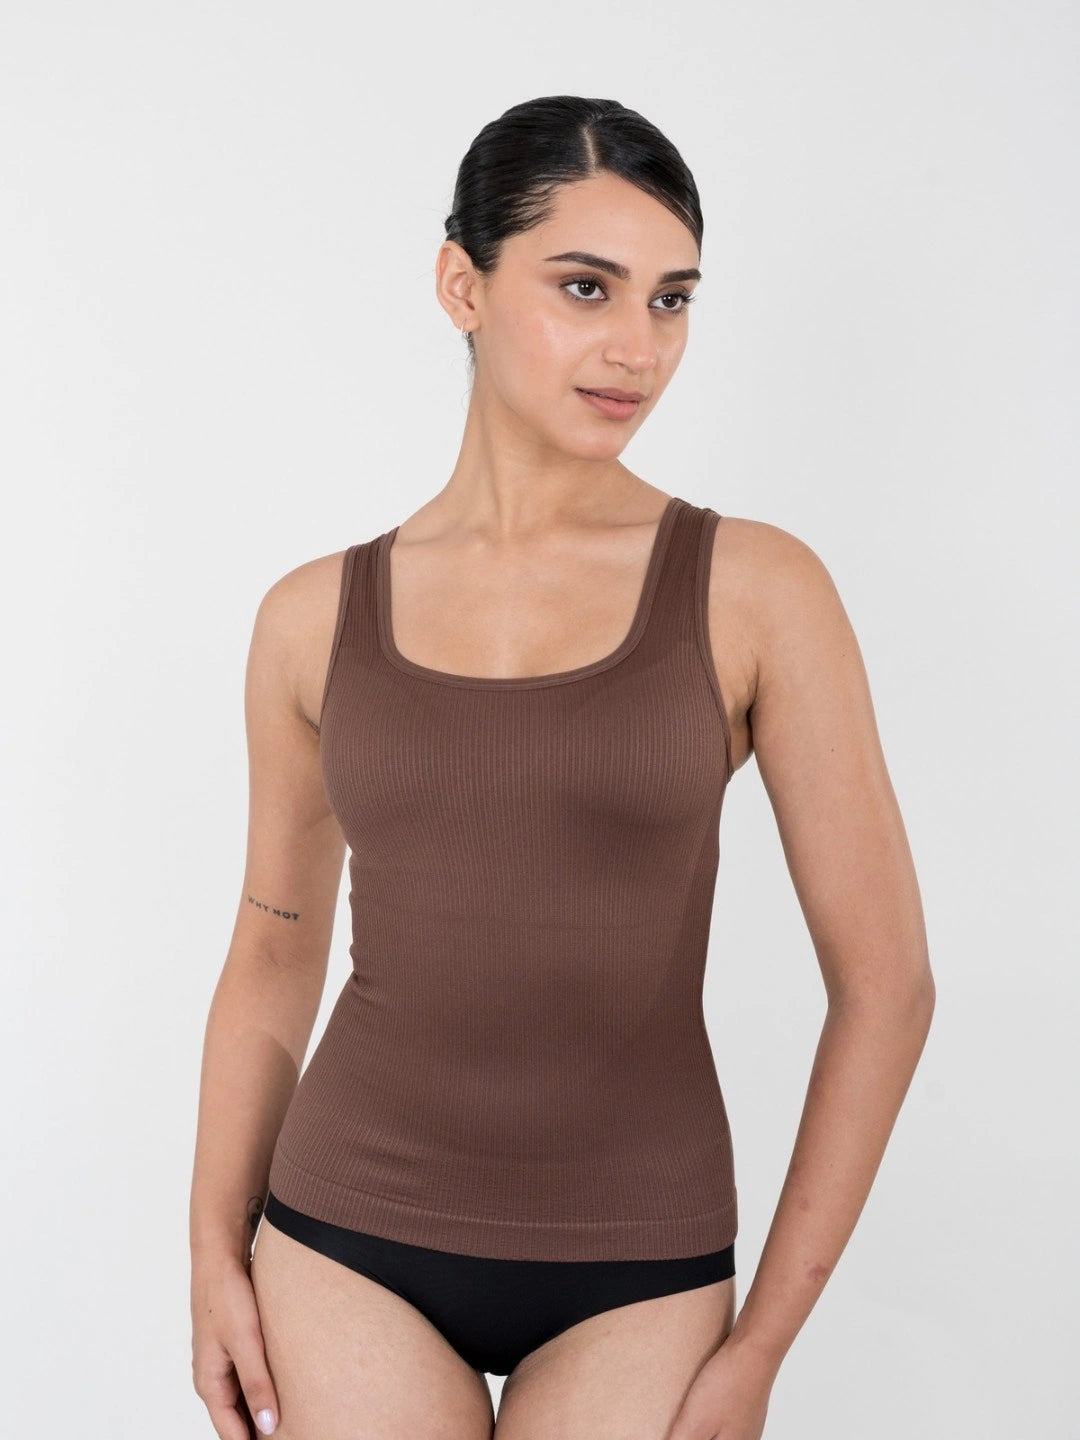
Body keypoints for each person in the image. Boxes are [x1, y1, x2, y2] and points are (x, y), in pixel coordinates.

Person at [189, 95, 935, 1440]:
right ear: (461, 285)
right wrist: (210, 1254)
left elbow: (887, 988)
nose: (637, 346)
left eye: (671, 300)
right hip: (345, 1234)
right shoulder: (311, 617)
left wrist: (763, 1346)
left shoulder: (757, 591)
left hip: (639, 1261)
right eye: (587, 287)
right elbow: (272, 952)